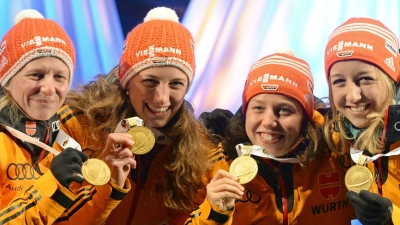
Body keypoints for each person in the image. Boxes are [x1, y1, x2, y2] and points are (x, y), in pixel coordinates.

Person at [58, 7, 228, 224]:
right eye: (150, 82)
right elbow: (51, 216)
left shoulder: (198, 153)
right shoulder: (77, 125)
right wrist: (109, 187)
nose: (161, 98)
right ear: (126, 82)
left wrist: (215, 214)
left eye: (175, 84)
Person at [186, 48, 357, 224]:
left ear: (305, 117)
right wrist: (215, 212)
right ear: (246, 112)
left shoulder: (337, 152)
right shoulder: (215, 163)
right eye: (258, 108)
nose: (269, 122)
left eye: (284, 110)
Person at [0, 9, 134, 224]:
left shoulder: (62, 138)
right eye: (36, 75)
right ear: (6, 79)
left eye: (59, 77)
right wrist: (52, 185)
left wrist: (111, 183)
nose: (49, 88)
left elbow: (69, 220)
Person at [323, 17, 400, 225]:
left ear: (392, 81)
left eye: (365, 79)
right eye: (339, 81)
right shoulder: (332, 137)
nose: (353, 96)